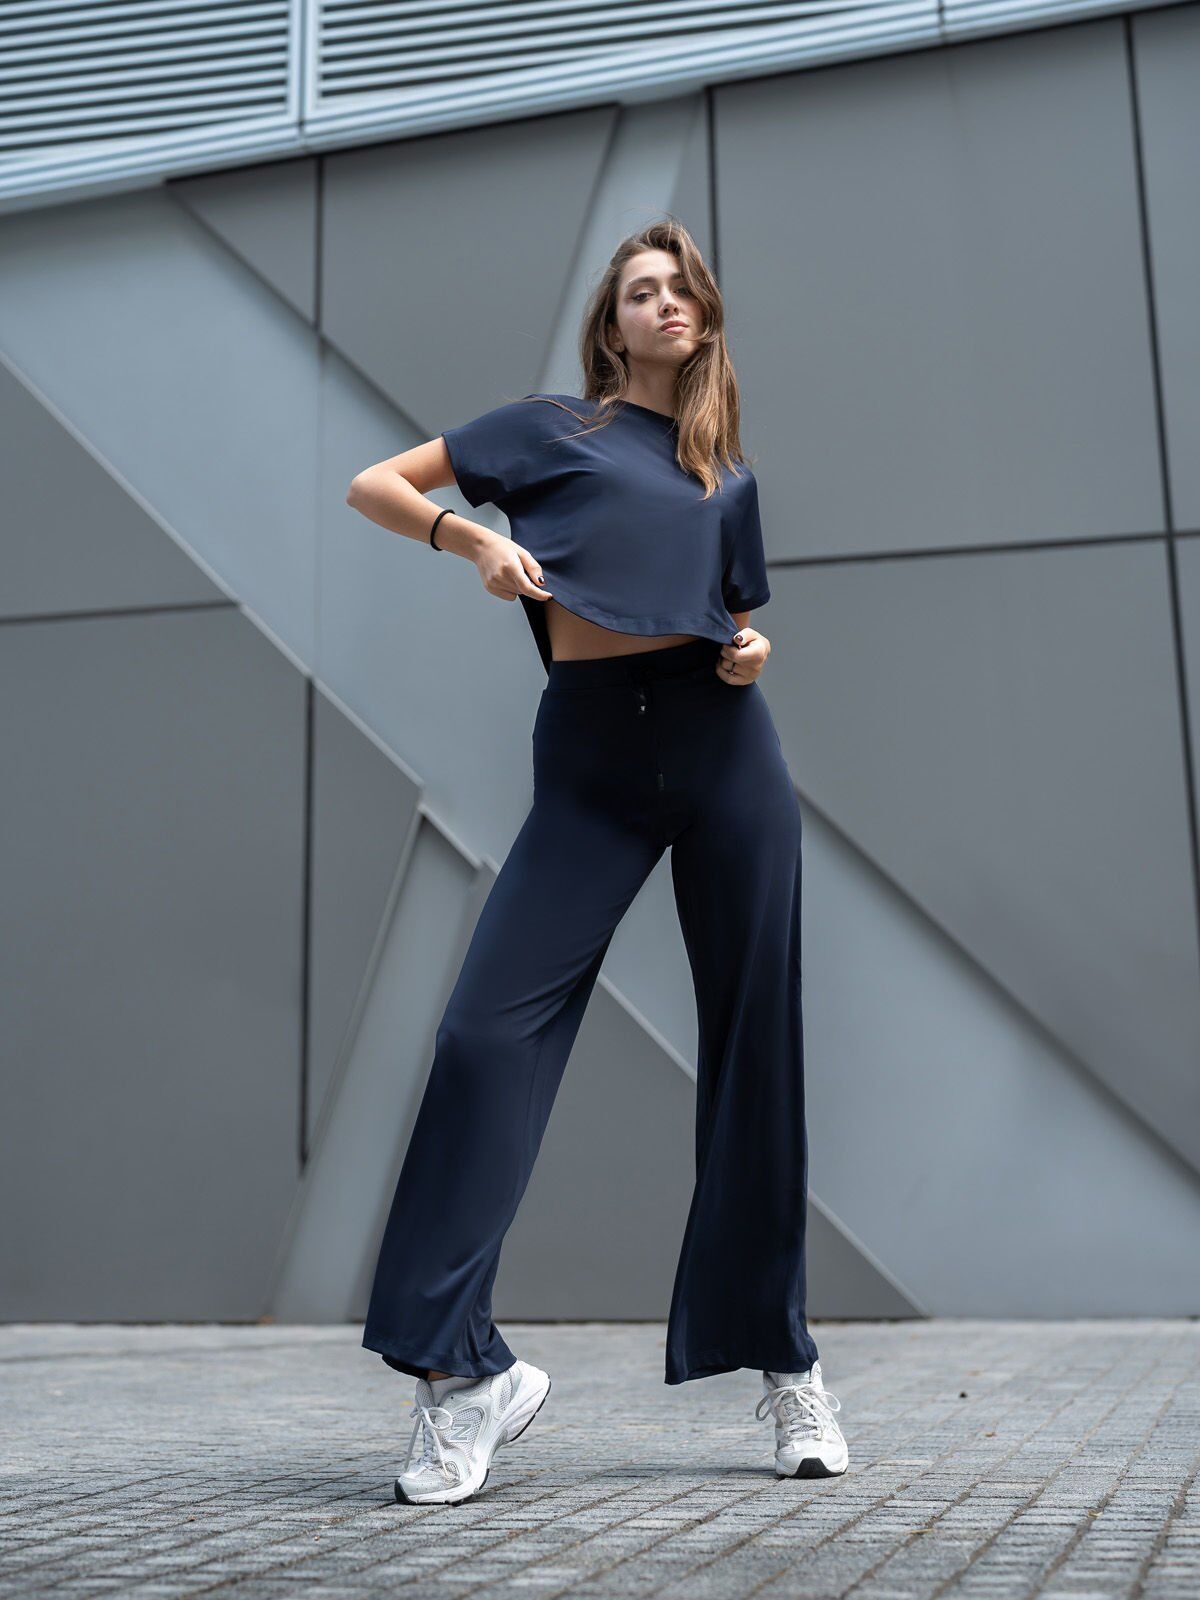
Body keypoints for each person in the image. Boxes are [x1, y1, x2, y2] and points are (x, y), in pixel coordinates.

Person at [345, 218, 849, 1506]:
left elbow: (735, 619)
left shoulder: (727, 476)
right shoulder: (548, 430)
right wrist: (471, 540)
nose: (664, 303)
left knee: (755, 1046)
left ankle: (786, 1363)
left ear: (704, 317)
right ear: (611, 324)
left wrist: (752, 652)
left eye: (682, 289)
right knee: (484, 1035)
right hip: (590, 760)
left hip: (725, 751)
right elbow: (377, 484)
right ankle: (464, 1374)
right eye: (640, 290)